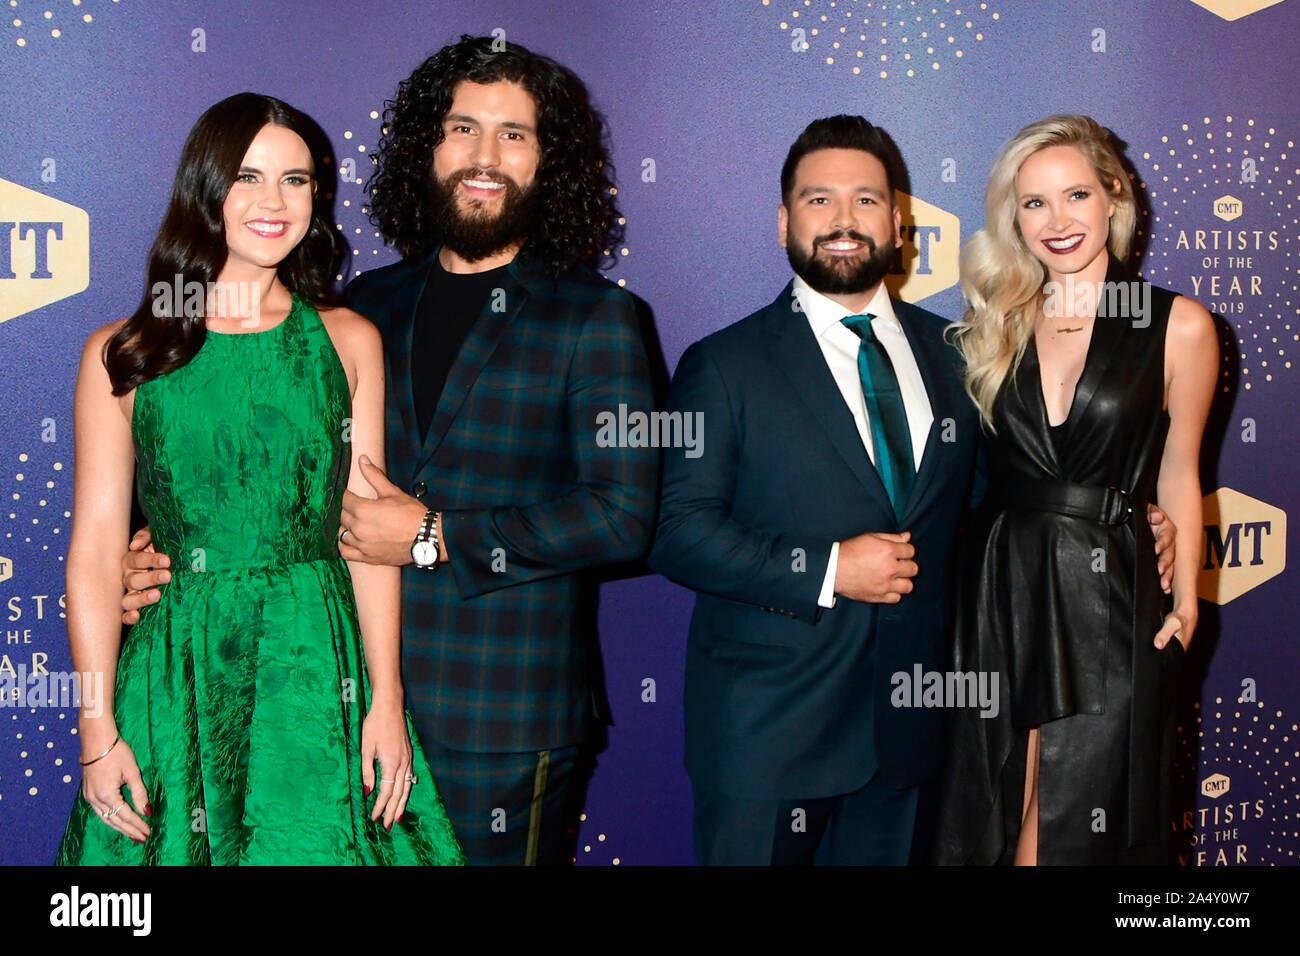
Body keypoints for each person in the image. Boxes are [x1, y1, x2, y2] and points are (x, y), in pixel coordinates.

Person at [119, 39, 658, 865]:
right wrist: (149, 554)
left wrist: (434, 536)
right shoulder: (365, 306)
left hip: (498, 719)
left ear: (550, 162)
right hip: (326, 704)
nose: (485, 156)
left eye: (515, 135)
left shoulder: (595, 317)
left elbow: (623, 518)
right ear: (426, 148)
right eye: (463, 128)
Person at [58, 93, 463, 865]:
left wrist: (385, 701)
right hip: (176, 671)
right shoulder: (124, 353)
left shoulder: (346, 341)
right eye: (248, 177)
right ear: (205, 189)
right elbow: (96, 550)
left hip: (315, 665)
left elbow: (365, 538)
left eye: (297, 180)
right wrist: (95, 730)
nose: (274, 202)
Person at [648, 116, 984, 865]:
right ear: (783, 223)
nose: (842, 221)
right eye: (818, 201)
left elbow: (993, 506)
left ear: (900, 226)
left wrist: (1122, 521)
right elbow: (677, 530)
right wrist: (830, 568)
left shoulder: (959, 356)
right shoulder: (723, 365)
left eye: (866, 202)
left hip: (907, 734)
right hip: (767, 738)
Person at [934, 115, 1218, 865]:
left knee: (1071, 824)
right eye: (1034, 204)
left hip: (1111, 593)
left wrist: (1186, 597)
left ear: (1114, 199)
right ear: (1012, 218)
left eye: (1076, 196)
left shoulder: (1178, 325)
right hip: (1002, 587)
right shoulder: (996, 320)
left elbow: (1180, 472)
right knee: (993, 810)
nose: (1057, 222)